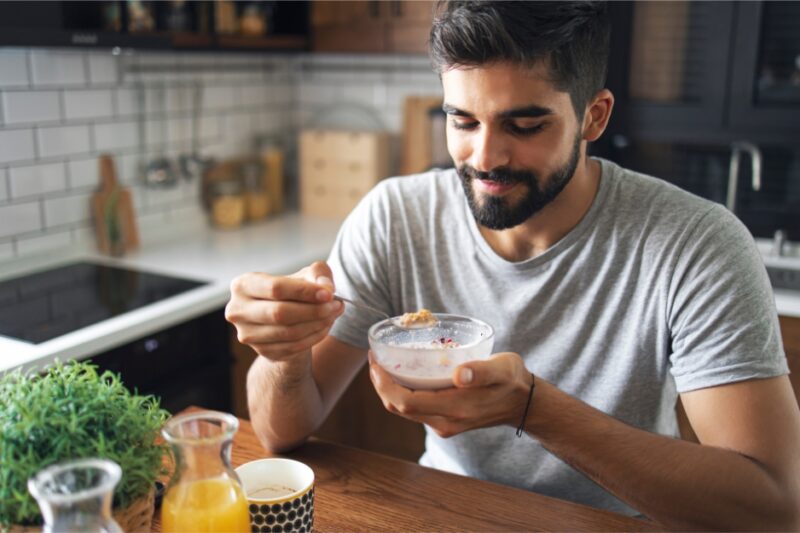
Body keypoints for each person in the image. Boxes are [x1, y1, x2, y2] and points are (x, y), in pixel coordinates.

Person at [226, 1, 800, 528]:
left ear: (594, 118)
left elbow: (774, 506)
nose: (485, 158)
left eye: (525, 126)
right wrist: (286, 352)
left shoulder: (696, 245)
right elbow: (281, 430)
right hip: (444, 513)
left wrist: (535, 410)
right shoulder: (396, 217)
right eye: (463, 121)